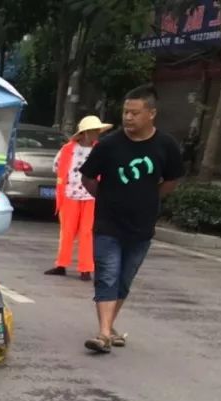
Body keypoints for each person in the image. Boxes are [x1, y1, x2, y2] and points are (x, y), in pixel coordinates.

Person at [79, 85, 183, 354]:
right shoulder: (109, 145)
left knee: (124, 279)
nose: (128, 117)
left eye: (134, 113)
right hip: (107, 223)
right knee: (107, 274)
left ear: (151, 114)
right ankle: (103, 334)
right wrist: (105, 198)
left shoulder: (166, 145)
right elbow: (88, 176)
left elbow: (171, 180)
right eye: (125, 112)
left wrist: (150, 200)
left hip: (141, 226)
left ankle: (109, 327)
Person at [45, 115, 111, 281]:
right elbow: (57, 166)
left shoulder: (101, 149)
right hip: (70, 195)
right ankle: (61, 264)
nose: (97, 134)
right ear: (85, 133)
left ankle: (86, 269)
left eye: (98, 131)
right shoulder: (68, 149)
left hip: (92, 196)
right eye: (94, 131)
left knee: (87, 232)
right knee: (67, 231)